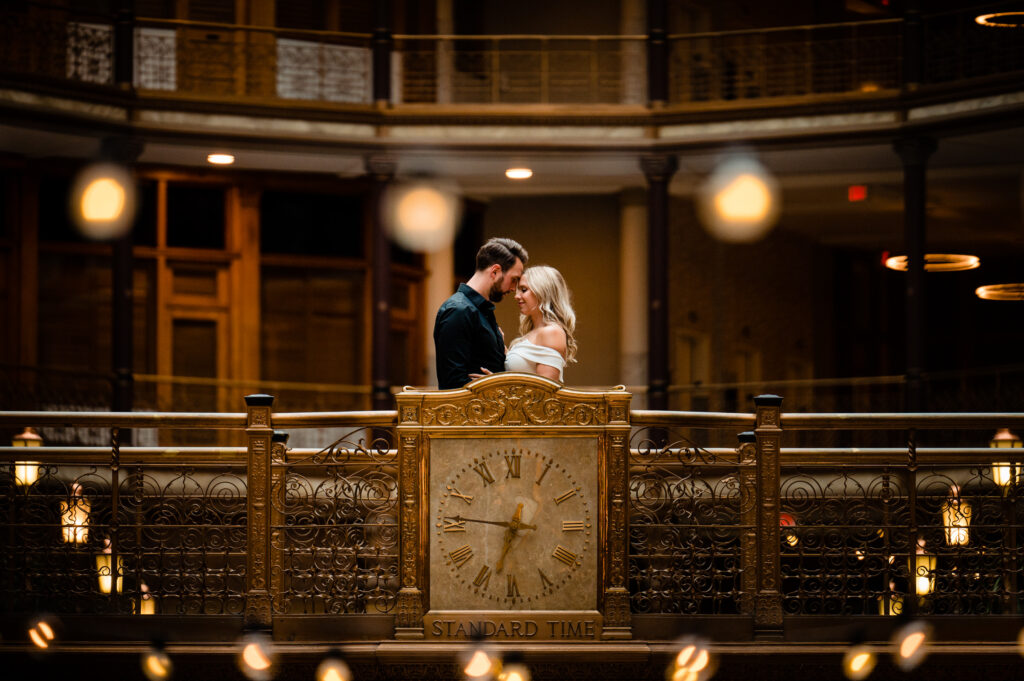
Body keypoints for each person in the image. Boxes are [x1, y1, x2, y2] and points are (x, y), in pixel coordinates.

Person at [433, 237, 528, 389]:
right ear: (495, 271)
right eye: (513, 280)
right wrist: (493, 386)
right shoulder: (458, 310)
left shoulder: (482, 310)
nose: (513, 288)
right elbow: (451, 384)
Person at [473, 265, 577, 382]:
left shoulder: (551, 332)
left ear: (542, 292)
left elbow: (544, 394)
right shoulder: (533, 331)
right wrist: (501, 347)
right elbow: (523, 372)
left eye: (523, 290)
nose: (516, 296)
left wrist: (495, 384)